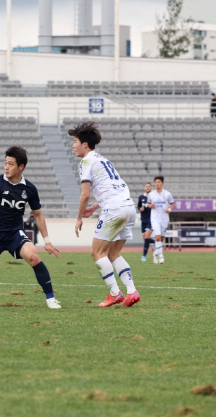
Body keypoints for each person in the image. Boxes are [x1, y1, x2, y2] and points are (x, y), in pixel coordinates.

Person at [0, 146, 62, 309]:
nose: (6, 167)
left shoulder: (29, 189)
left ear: (20, 167)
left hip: (14, 233)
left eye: (10, 164)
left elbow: (38, 214)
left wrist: (47, 241)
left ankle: (50, 298)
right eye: (5, 163)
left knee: (34, 257)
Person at [71, 122, 140, 308]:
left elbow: (85, 194)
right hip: (128, 207)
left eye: (75, 141)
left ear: (85, 144)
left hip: (114, 209)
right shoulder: (102, 159)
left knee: (97, 252)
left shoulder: (85, 161)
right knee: (114, 253)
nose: (73, 145)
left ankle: (115, 293)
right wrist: (95, 207)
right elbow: (112, 187)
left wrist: (78, 218)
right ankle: (131, 291)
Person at [146, 176, 175, 264]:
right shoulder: (151, 194)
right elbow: (148, 204)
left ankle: (156, 253)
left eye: (159, 182)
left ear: (162, 183)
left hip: (164, 218)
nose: (157, 184)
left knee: (161, 239)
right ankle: (161, 256)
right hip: (154, 218)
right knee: (157, 237)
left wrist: (169, 209)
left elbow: (172, 203)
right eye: (156, 182)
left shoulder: (167, 194)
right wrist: (150, 206)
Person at [138, 182, 153, 261]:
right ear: (145, 187)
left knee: (147, 236)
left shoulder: (153, 196)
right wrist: (140, 209)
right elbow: (138, 206)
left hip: (151, 220)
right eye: (146, 186)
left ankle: (144, 256)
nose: (147, 188)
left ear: (151, 188)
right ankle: (156, 242)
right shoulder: (141, 197)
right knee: (145, 238)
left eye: (149, 186)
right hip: (143, 219)